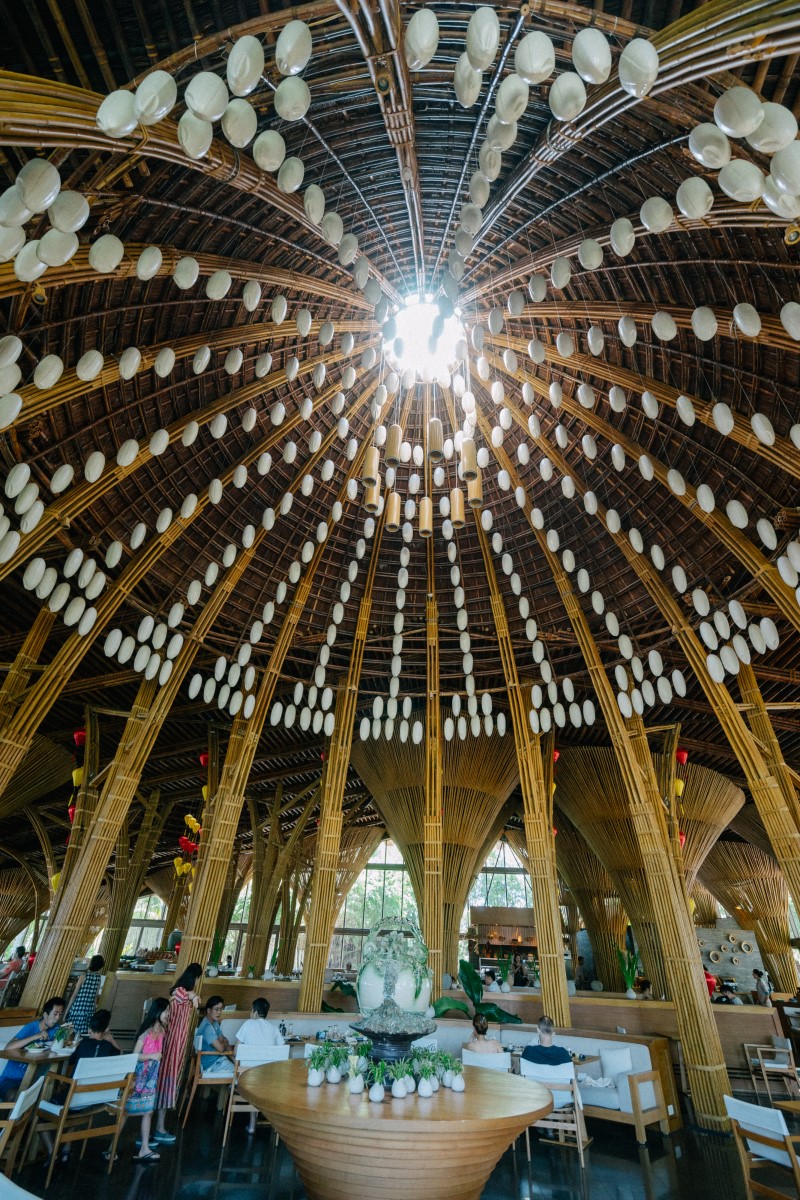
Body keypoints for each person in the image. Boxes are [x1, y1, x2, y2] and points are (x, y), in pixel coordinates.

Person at [153, 962, 203, 1142]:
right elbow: (188, 998)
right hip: (171, 1045)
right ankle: (158, 1128)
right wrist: (194, 995)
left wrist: (194, 996)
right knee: (166, 1082)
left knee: (167, 1082)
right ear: (195, 978)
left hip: (176, 1045)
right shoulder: (181, 992)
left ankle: (158, 1127)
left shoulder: (182, 993)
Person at [127, 997, 168, 1163]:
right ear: (157, 1012)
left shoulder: (163, 1031)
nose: (169, 1014)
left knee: (149, 1111)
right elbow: (135, 1056)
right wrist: (151, 1056)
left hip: (152, 1078)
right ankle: (111, 1147)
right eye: (167, 1011)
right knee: (127, 1111)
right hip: (140, 1078)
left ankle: (144, 1148)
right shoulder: (146, 1033)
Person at [0, 995, 65, 1100]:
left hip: (35, 1077)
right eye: (55, 1014)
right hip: (12, 1078)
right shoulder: (31, 1027)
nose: (57, 1018)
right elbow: (8, 1047)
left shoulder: (56, 1029)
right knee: (14, 1096)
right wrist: (35, 1036)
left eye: (60, 1014)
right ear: (45, 1014)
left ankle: (38, 1116)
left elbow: (64, 1043)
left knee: (58, 1090)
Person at [65, 954, 105, 1038]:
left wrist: (66, 1012)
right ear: (100, 966)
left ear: (91, 963)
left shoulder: (83, 976)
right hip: (88, 1011)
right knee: (84, 1035)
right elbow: (95, 998)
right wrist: (94, 1011)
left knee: (72, 1034)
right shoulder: (98, 978)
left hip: (77, 1010)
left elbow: (74, 994)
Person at [196, 995, 233, 1074]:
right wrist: (224, 1043)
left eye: (221, 1009)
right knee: (238, 1073)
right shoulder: (207, 1027)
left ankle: (229, 1086)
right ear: (208, 1010)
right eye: (216, 1009)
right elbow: (221, 1048)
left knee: (237, 1067)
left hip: (219, 1060)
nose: (219, 1012)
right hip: (211, 1065)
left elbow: (222, 1040)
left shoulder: (214, 1023)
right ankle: (230, 1086)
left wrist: (223, 1043)